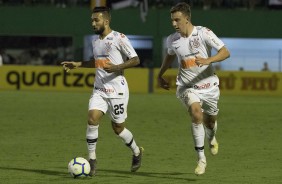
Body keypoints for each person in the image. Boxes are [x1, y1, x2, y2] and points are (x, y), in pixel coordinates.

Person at [61, 6, 143, 176]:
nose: (93, 23)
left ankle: (136, 151)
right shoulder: (95, 41)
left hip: (117, 90)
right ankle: (92, 160)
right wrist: (78, 64)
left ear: (106, 21)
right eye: (91, 20)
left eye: (96, 20)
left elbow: (136, 59)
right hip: (99, 89)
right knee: (92, 118)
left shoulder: (119, 38)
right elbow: (96, 62)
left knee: (118, 128)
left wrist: (117, 67)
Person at [157, 2, 230, 175]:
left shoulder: (203, 33)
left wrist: (208, 60)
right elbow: (169, 56)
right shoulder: (172, 40)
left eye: (177, 20)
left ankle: (212, 138)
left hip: (209, 86)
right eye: (172, 20)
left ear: (187, 18)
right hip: (186, 86)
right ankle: (201, 159)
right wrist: (160, 75)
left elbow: (225, 52)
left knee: (210, 121)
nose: (174, 24)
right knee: (196, 113)